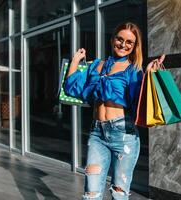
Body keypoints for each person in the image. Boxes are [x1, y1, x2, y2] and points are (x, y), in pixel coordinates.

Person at [64, 22, 164, 200]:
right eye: (120, 39)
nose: (123, 45)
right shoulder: (97, 65)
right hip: (97, 133)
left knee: (119, 194)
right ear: (112, 39)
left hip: (123, 135)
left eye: (129, 42)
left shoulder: (134, 70)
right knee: (91, 193)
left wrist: (150, 75)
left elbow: (142, 100)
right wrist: (75, 60)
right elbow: (72, 87)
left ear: (134, 46)